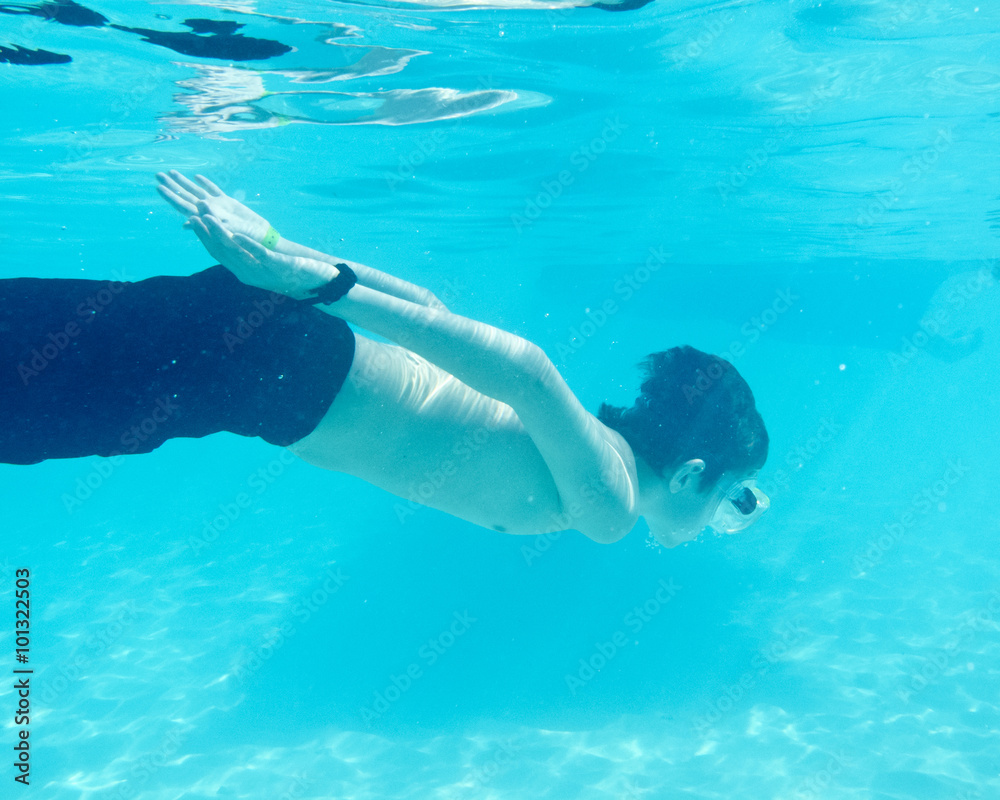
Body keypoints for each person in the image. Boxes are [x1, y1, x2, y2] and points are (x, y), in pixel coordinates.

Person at [2, 171, 769, 547]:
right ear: (693, 473)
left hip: (272, 357)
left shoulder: (600, 458)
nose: (722, 518)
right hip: (266, 372)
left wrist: (278, 253)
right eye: (730, 496)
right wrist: (311, 280)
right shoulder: (608, 506)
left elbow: (430, 311)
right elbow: (529, 370)